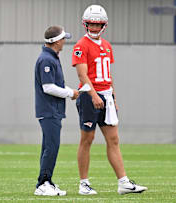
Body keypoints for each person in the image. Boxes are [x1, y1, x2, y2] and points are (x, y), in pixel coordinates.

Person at [72, 5, 147, 195]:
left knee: (113, 139)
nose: (94, 28)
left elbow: (108, 74)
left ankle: (123, 182)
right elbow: (82, 75)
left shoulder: (106, 45)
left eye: (98, 24)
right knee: (87, 139)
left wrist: (112, 96)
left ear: (104, 25)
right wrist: (94, 95)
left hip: (106, 96)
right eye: (91, 24)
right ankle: (83, 183)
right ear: (85, 24)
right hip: (90, 96)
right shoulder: (81, 45)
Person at [34, 25, 79, 196]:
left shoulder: (51, 57)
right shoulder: (47, 59)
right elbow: (48, 87)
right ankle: (43, 184)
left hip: (52, 109)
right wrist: (70, 93)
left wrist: (70, 91)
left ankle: (46, 181)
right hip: (49, 110)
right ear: (55, 42)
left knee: (49, 146)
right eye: (62, 39)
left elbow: (55, 85)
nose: (64, 42)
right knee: (51, 147)